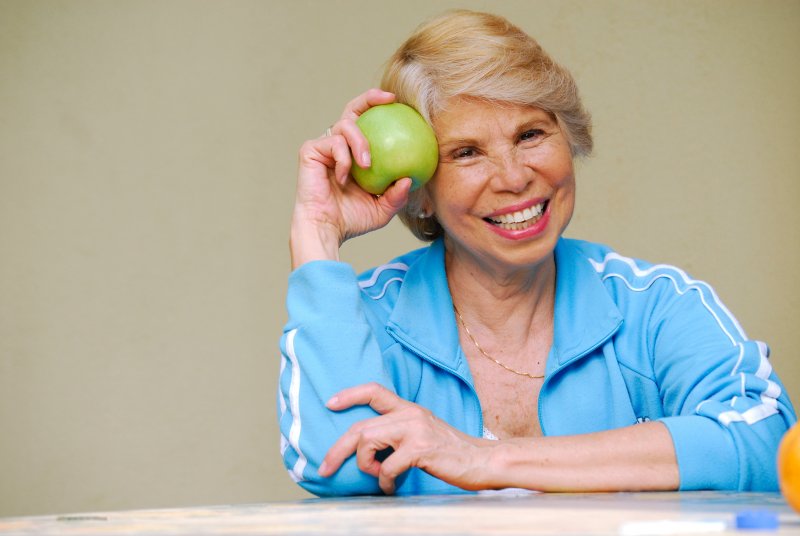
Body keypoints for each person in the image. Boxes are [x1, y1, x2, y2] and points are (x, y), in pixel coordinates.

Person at [278, 9, 796, 496]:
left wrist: (487, 459)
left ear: (568, 139)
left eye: (530, 134)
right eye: (467, 152)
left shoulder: (653, 304)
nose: (514, 176)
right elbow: (339, 466)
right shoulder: (364, 315)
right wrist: (317, 236)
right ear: (421, 189)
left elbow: (768, 439)